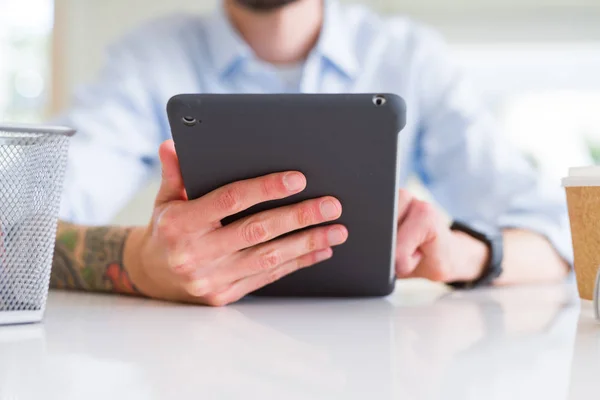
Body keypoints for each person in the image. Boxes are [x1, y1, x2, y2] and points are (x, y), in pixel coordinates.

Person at [49, 0, 571, 306]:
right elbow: (14, 219)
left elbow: (562, 233)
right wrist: (138, 261)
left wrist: (463, 254)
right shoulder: (147, 61)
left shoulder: (410, 57)